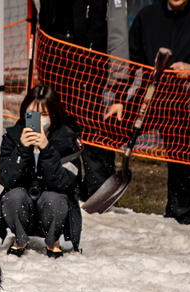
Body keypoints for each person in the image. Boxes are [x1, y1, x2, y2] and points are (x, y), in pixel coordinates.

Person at [104, 0, 190, 225]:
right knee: (107, 128)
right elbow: (129, 60)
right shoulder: (147, 16)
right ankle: (99, 193)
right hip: (150, 97)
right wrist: (119, 98)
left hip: (184, 105)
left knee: (182, 158)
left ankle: (180, 219)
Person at [37, 0, 127, 200]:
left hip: (92, 71)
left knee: (93, 131)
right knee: (57, 130)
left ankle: (99, 191)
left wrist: (119, 87)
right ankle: (64, 185)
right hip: (54, 69)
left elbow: (118, 37)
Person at [0, 84, 82, 258]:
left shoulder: (66, 139)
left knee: (55, 198)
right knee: (13, 196)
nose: (38, 120)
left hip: (52, 204)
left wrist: (47, 149)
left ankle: (53, 241)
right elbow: (6, 179)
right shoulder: (13, 136)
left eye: (44, 114)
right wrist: (22, 149)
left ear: (54, 114)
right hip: (23, 203)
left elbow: (63, 182)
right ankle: (20, 239)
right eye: (33, 114)